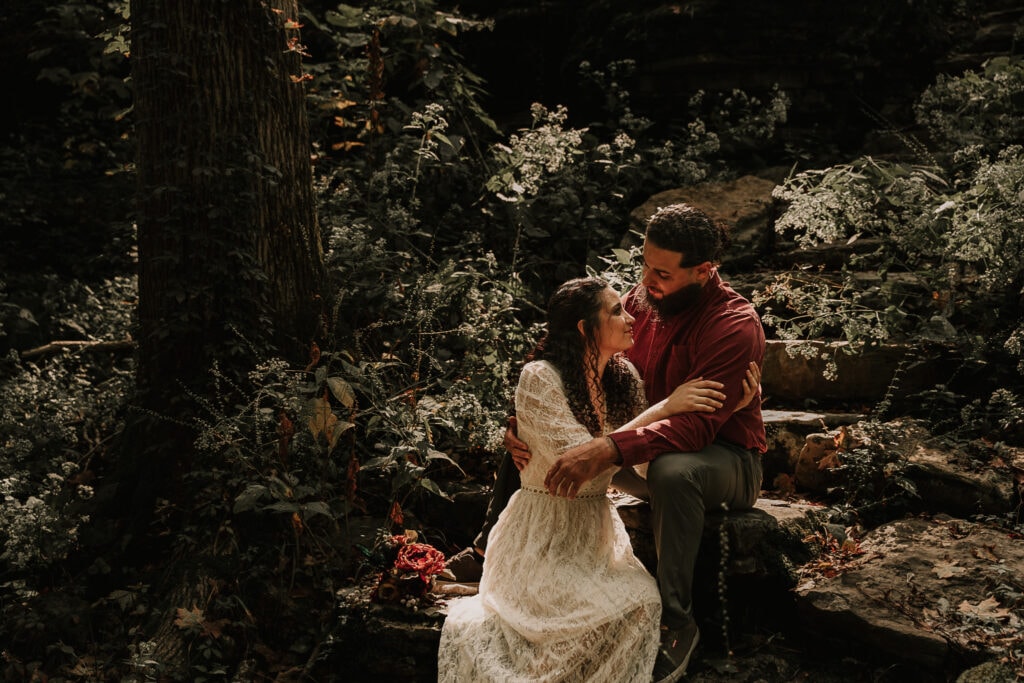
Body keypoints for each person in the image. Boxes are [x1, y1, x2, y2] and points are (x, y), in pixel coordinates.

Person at [444, 203, 766, 683]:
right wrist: (521, 423)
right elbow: (572, 359)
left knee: (673, 470)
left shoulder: (732, 324)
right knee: (549, 441)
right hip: (641, 443)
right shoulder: (645, 301)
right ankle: (490, 548)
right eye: (644, 265)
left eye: (661, 272)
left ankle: (677, 620)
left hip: (723, 458)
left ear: (704, 270)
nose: (645, 282)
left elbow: (696, 428)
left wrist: (610, 449)